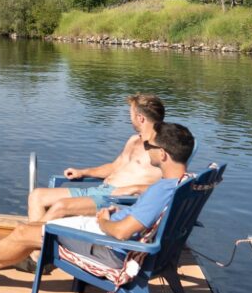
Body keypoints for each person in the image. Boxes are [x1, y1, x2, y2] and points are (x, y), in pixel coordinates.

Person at [0, 122, 195, 289]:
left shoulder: (163, 188)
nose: (146, 148)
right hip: (127, 244)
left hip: (111, 248)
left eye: (151, 146)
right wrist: (125, 208)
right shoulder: (184, 184)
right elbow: (141, 217)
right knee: (37, 229)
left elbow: (120, 233)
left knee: (26, 232)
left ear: (163, 154)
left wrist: (103, 218)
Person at [28, 93, 165, 224]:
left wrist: (135, 188)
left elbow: (171, 185)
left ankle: (31, 238)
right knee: (37, 196)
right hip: (100, 191)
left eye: (131, 115)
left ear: (140, 118)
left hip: (119, 200)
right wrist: (83, 172)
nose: (130, 119)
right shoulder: (134, 140)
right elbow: (114, 167)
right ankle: (36, 244)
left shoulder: (162, 149)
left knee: (61, 206)